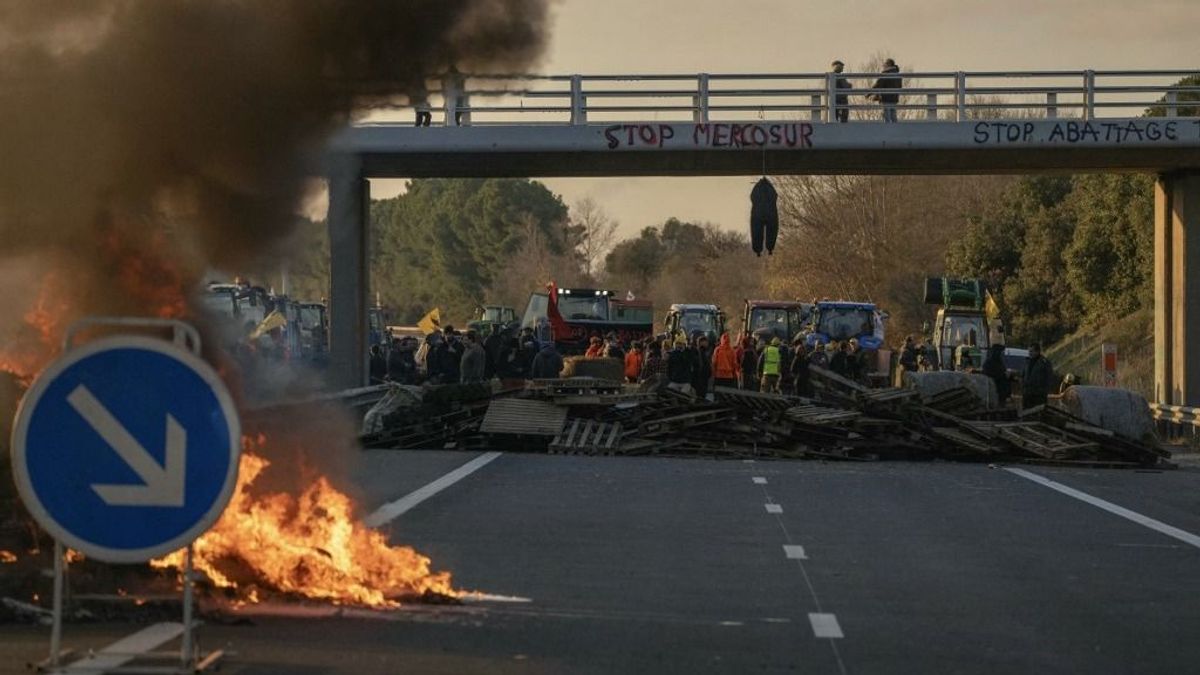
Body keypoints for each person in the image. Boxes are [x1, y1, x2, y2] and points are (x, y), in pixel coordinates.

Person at [1021, 343, 1053, 410]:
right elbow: (1023, 375)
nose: (1030, 353)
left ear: (1037, 351)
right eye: (1029, 351)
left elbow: (1049, 378)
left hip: (1039, 395)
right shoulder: (1027, 362)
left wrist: (1044, 391)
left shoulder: (1044, 363)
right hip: (1027, 394)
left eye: (1031, 351)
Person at [870, 58, 902, 123]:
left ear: (889, 64)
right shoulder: (898, 74)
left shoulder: (885, 73)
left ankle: (887, 130)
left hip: (886, 98)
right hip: (894, 98)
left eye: (885, 64)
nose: (884, 65)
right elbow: (900, 86)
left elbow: (878, 85)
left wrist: (869, 93)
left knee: (886, 116)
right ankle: (895, 129)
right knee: (893, 116)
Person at [692, 334, 713, 400]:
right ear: (701, 343)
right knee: (700, 397)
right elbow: (703, 366)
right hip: (700, 380)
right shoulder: (700, 353)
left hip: (701, 379)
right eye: (706, 342)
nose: (707, 343)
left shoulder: (702, 352)